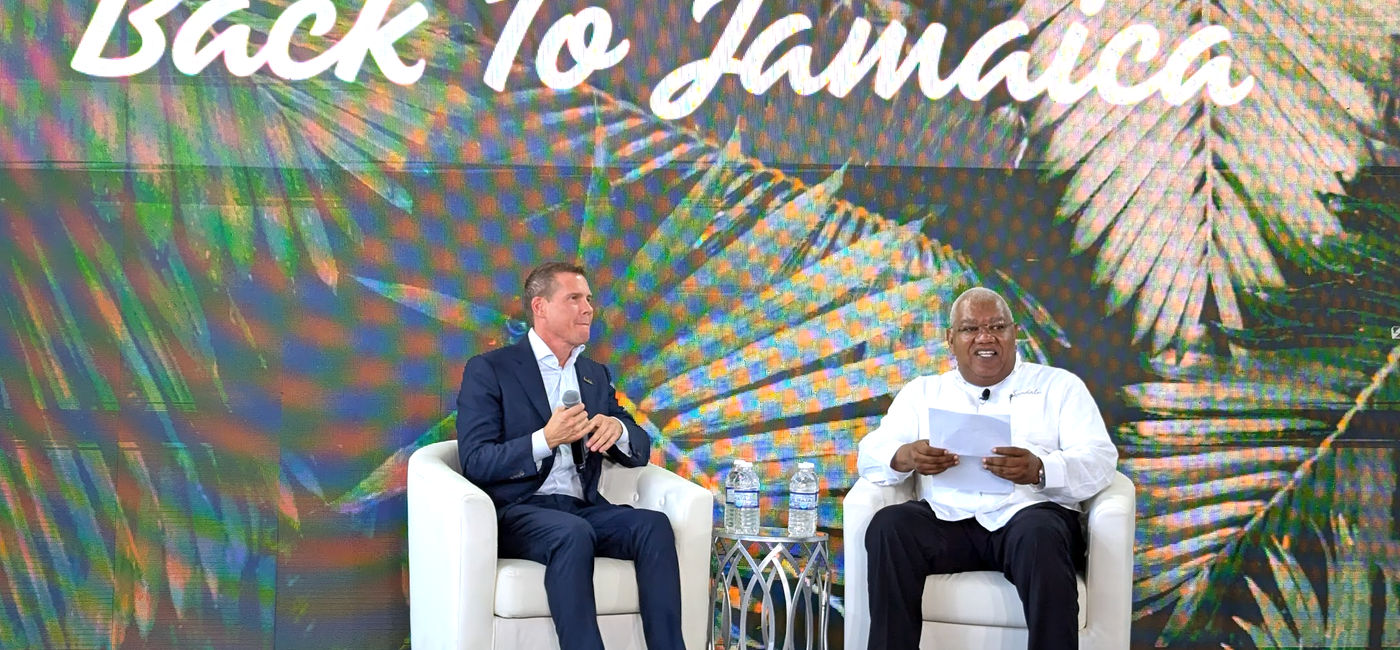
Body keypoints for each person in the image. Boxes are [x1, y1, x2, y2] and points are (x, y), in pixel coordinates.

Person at [856, 287, 1118, 650]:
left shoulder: (1059, 387)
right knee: (889, 527)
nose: (985, 338)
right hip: (948, 521)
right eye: (969, 329)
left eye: (997, 327)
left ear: (1015, 333)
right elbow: (870, 453)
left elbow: (1101, 459)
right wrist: (907, 456)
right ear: (950, 339)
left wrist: (1041, 469)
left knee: (1040, 534)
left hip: (1028, 519)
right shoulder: (923, 392)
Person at [455, 261, 685, 650]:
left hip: (581, 506)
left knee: (653, 526)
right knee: (572, 535)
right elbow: (476, 460)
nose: (588, 308)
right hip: (518, 510)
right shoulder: (491, 370)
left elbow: (640, 449)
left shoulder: (593, 374)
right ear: (540, 307)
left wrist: (621, 431)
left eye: (589, 299)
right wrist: (545, 439)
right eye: (574, 298)